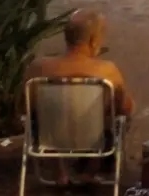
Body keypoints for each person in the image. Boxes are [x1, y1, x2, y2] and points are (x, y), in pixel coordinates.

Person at [23, 10, 134, 183]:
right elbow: (125, 109)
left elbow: (23, 108)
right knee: (118, 119)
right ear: (94, 41)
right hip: (94, 137)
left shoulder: (38, 68)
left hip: (49, 138)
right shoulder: (107, 71)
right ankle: (89, 172)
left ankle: (59, 173)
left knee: (39, 119)